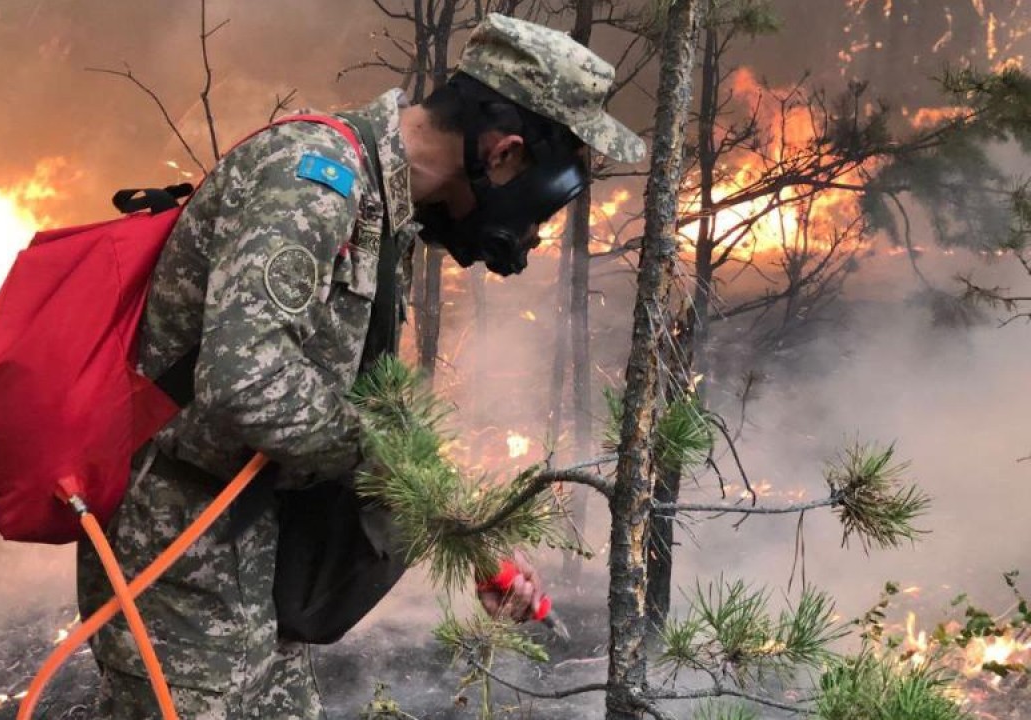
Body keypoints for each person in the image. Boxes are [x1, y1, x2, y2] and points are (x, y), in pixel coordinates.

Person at [76, 13, 645, 719]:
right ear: (503, 154)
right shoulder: (313, 182)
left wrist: (466, 533)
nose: (532, 232)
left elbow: (358, 403)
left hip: (255, 561)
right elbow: (241, 380)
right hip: (178, 563)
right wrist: (384, 464)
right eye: (544, 204)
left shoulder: (384, 209)